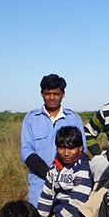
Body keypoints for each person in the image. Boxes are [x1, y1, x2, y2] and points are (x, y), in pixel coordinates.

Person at [21, 74, 86, 207]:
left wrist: (62, 176)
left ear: (63, 94)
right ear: (42, 94)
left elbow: (81, 150)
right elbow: (26, 151)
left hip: (68, 186)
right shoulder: (31, 118)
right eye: (48, 93)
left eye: (56, 94)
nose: (51, 97)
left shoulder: (74, 118)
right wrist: (49, 175)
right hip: (39, 184)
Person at [37, 126, 93, 217]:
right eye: (62, 148)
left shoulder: (83, 168)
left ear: (80, 148)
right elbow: (46, 197)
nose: (66, 153)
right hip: (57, 216)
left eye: (71, 148)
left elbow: (76, 204)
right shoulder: (54, 168)